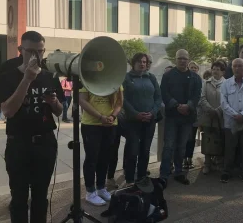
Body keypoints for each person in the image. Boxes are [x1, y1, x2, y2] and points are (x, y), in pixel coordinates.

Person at [0, 31, 64, 223]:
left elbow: (58, 111)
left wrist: (54, 102)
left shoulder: (50, 76)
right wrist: (27, 80)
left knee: (40, 197)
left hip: (45, 142)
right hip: (19, 144)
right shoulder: (8, 75)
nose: (36, 56)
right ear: (20, 50)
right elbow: (7, 111)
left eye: (40, 51)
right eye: (30, 51)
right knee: (19, 198)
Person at [159, 49, 202, 187]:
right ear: (175, 59)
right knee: (169, 146)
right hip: (172, 116)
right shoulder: (168, 76)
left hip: (187, 118)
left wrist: (188, 106)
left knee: (181, 146)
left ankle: (178, 172)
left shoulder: (195, 78)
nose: (183, 61)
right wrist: (176, 105)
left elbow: (196, 96)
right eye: (180, 58)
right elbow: (164, 93)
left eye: (185, 58)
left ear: (189, 60)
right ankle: (164, 174)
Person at [79, 80, 123, 206]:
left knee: (105, 157)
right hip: (91, 125)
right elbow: (82, 100)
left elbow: (119, 102)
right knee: (92, 158)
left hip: (110, 124)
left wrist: (113, 116)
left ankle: (100, 187)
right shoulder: (87, 79)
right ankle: (90, 192)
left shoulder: (115, 78)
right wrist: (100, 117)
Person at [123, 53, 162, 186]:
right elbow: (123, 99)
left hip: (150, 120)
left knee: (145, 151)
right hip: (133, 121)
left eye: (145, 62)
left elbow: (158, 97)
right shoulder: (127, 78)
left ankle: (141, 177)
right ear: (133, 63)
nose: (142, 64)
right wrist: (135, 114)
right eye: (139, 61)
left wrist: (152, 112)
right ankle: (129, 179)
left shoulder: (151, 77)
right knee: (132, 151)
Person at [199, 61, 226, 174]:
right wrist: (210, 109)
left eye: (218, 69)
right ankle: (207, 164)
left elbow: (228, 99)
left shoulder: (227, 83)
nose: (215, 71)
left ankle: (219, 163)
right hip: (208, 116)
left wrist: (218, 110)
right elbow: (202, 98)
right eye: (214, 68)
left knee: (220, 139)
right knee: (207, 139)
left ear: (223, 71)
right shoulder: (205, 83)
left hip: (222, 117)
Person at [184, 61, 201, 170]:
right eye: (192, 67)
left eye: (195, 67)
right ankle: (183, 158)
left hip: (195, 114)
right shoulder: (185, 80)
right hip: (185, 114)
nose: (193, 69)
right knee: (184, 138)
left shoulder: (200, 80)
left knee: (191, 139)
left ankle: (189, 157)